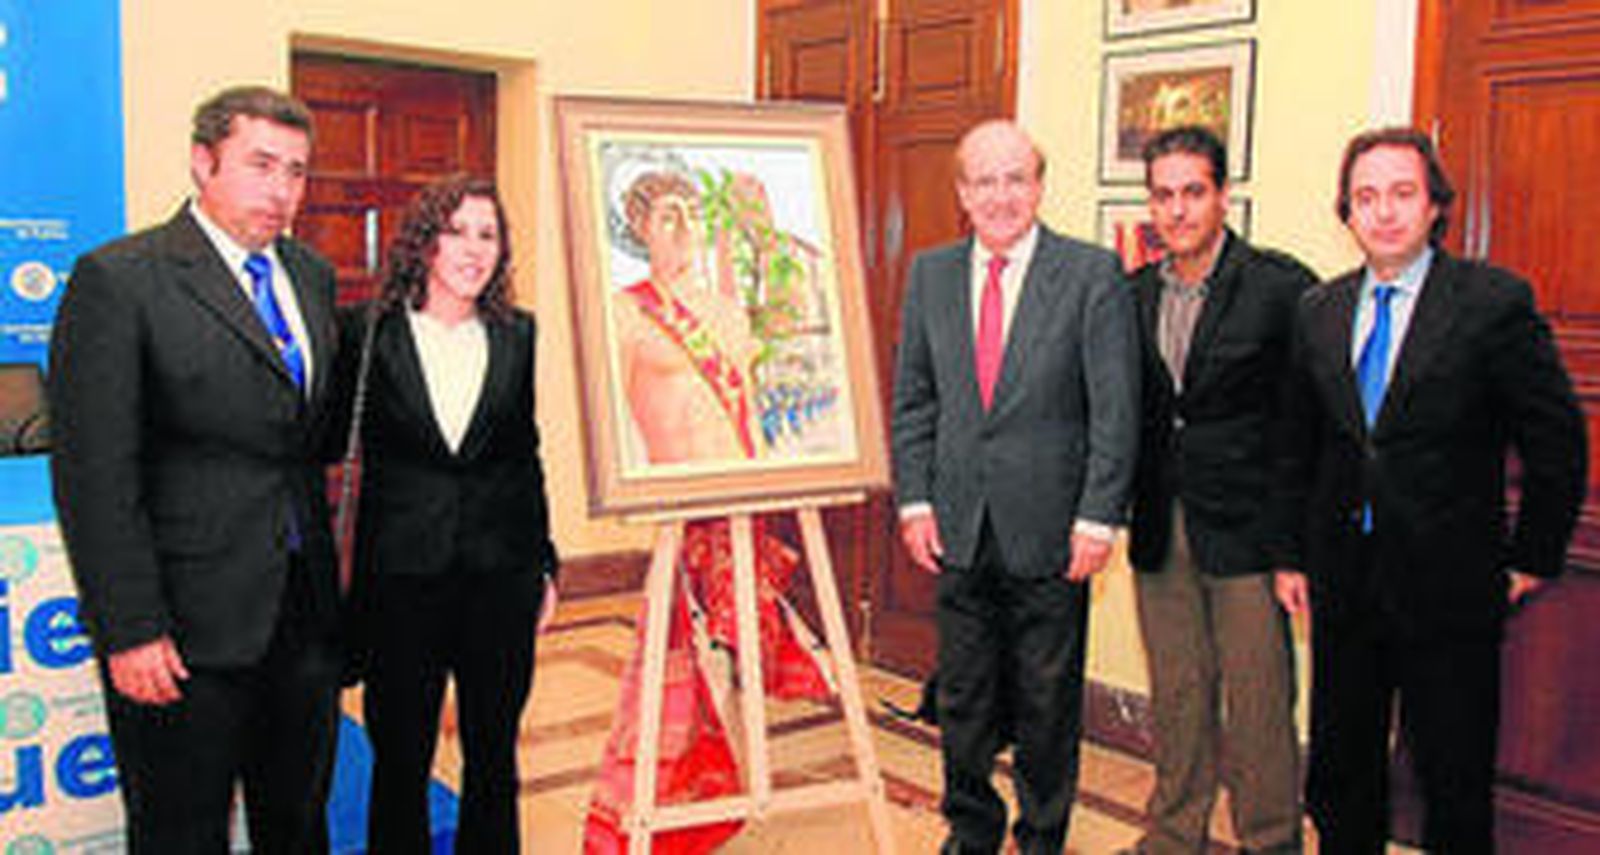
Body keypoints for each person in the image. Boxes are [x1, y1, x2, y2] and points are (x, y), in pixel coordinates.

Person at [1270, 127, 1587, 853]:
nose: (1384, 212)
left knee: (1453, 776)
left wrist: (1531, 558)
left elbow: (1556, 440)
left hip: (1453, 583)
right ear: (1346, 212)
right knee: (1343, 773)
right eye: (1366, 196)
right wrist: (1290, 554)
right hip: (1344, 581)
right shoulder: (1318, 309)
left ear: (1436, 206)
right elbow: (1298, 446)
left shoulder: (1491, 302)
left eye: (1402, 194)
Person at [47, 85, 342, 853]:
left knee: (298, 824)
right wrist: (132, 628)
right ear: (202, 160)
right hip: (183, 635)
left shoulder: (310, 275)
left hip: (301, 622)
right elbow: (94, 477)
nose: (281, 190)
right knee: (182, 833)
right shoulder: (121, 279)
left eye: (297, 172)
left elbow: (304, 447)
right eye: (260, 164)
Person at [891, 119, 1140, 855]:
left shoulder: (1092, 273)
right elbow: (915, 399)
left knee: (1046, 700)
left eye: (1016, 178)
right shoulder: (930, 273)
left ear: (1038, 185)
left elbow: (1114, 409)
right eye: (984, 181)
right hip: (958, 523)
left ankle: (1041, 837)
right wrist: (915, 500)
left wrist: (1100, 516)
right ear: (963, 192)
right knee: (963, 698)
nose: (1001, 195)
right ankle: (970, 830)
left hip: (1055, 528)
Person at [584, 167, 832, 854]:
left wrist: (757, 228)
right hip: (677, 514)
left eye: (692, 213)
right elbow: (606, 409)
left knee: (727, 660)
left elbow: (777, 348)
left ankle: (704, 801)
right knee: (684, 665)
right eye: (667, 215)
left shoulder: (726, 309)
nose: (683, 227)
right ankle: (671, 805)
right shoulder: (625, 309)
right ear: (638, 228)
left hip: (739, 508)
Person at [342, 175, 560, 853]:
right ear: (424, 243)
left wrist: (546, 565)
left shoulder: (518, 334)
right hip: (401, 580)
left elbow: (525, 455)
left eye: (487, 234)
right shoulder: (368, 333)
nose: (473, 248)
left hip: (500, 576)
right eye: (456, 230)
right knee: (401, 760)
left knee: (494, 758)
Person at [1122, 126, 1310, 855]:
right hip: (1158, 523)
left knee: (1260, 700)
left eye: (1193, 192)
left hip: (1251, 531)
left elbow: (1307, 423)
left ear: (1223, 196)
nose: (1177, 210)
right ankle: (1173, 834)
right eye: (1163, 195)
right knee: (1178, 692)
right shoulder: (1130, 292)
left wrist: (1297, 539)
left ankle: (1271, 840)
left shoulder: (1280, 287)